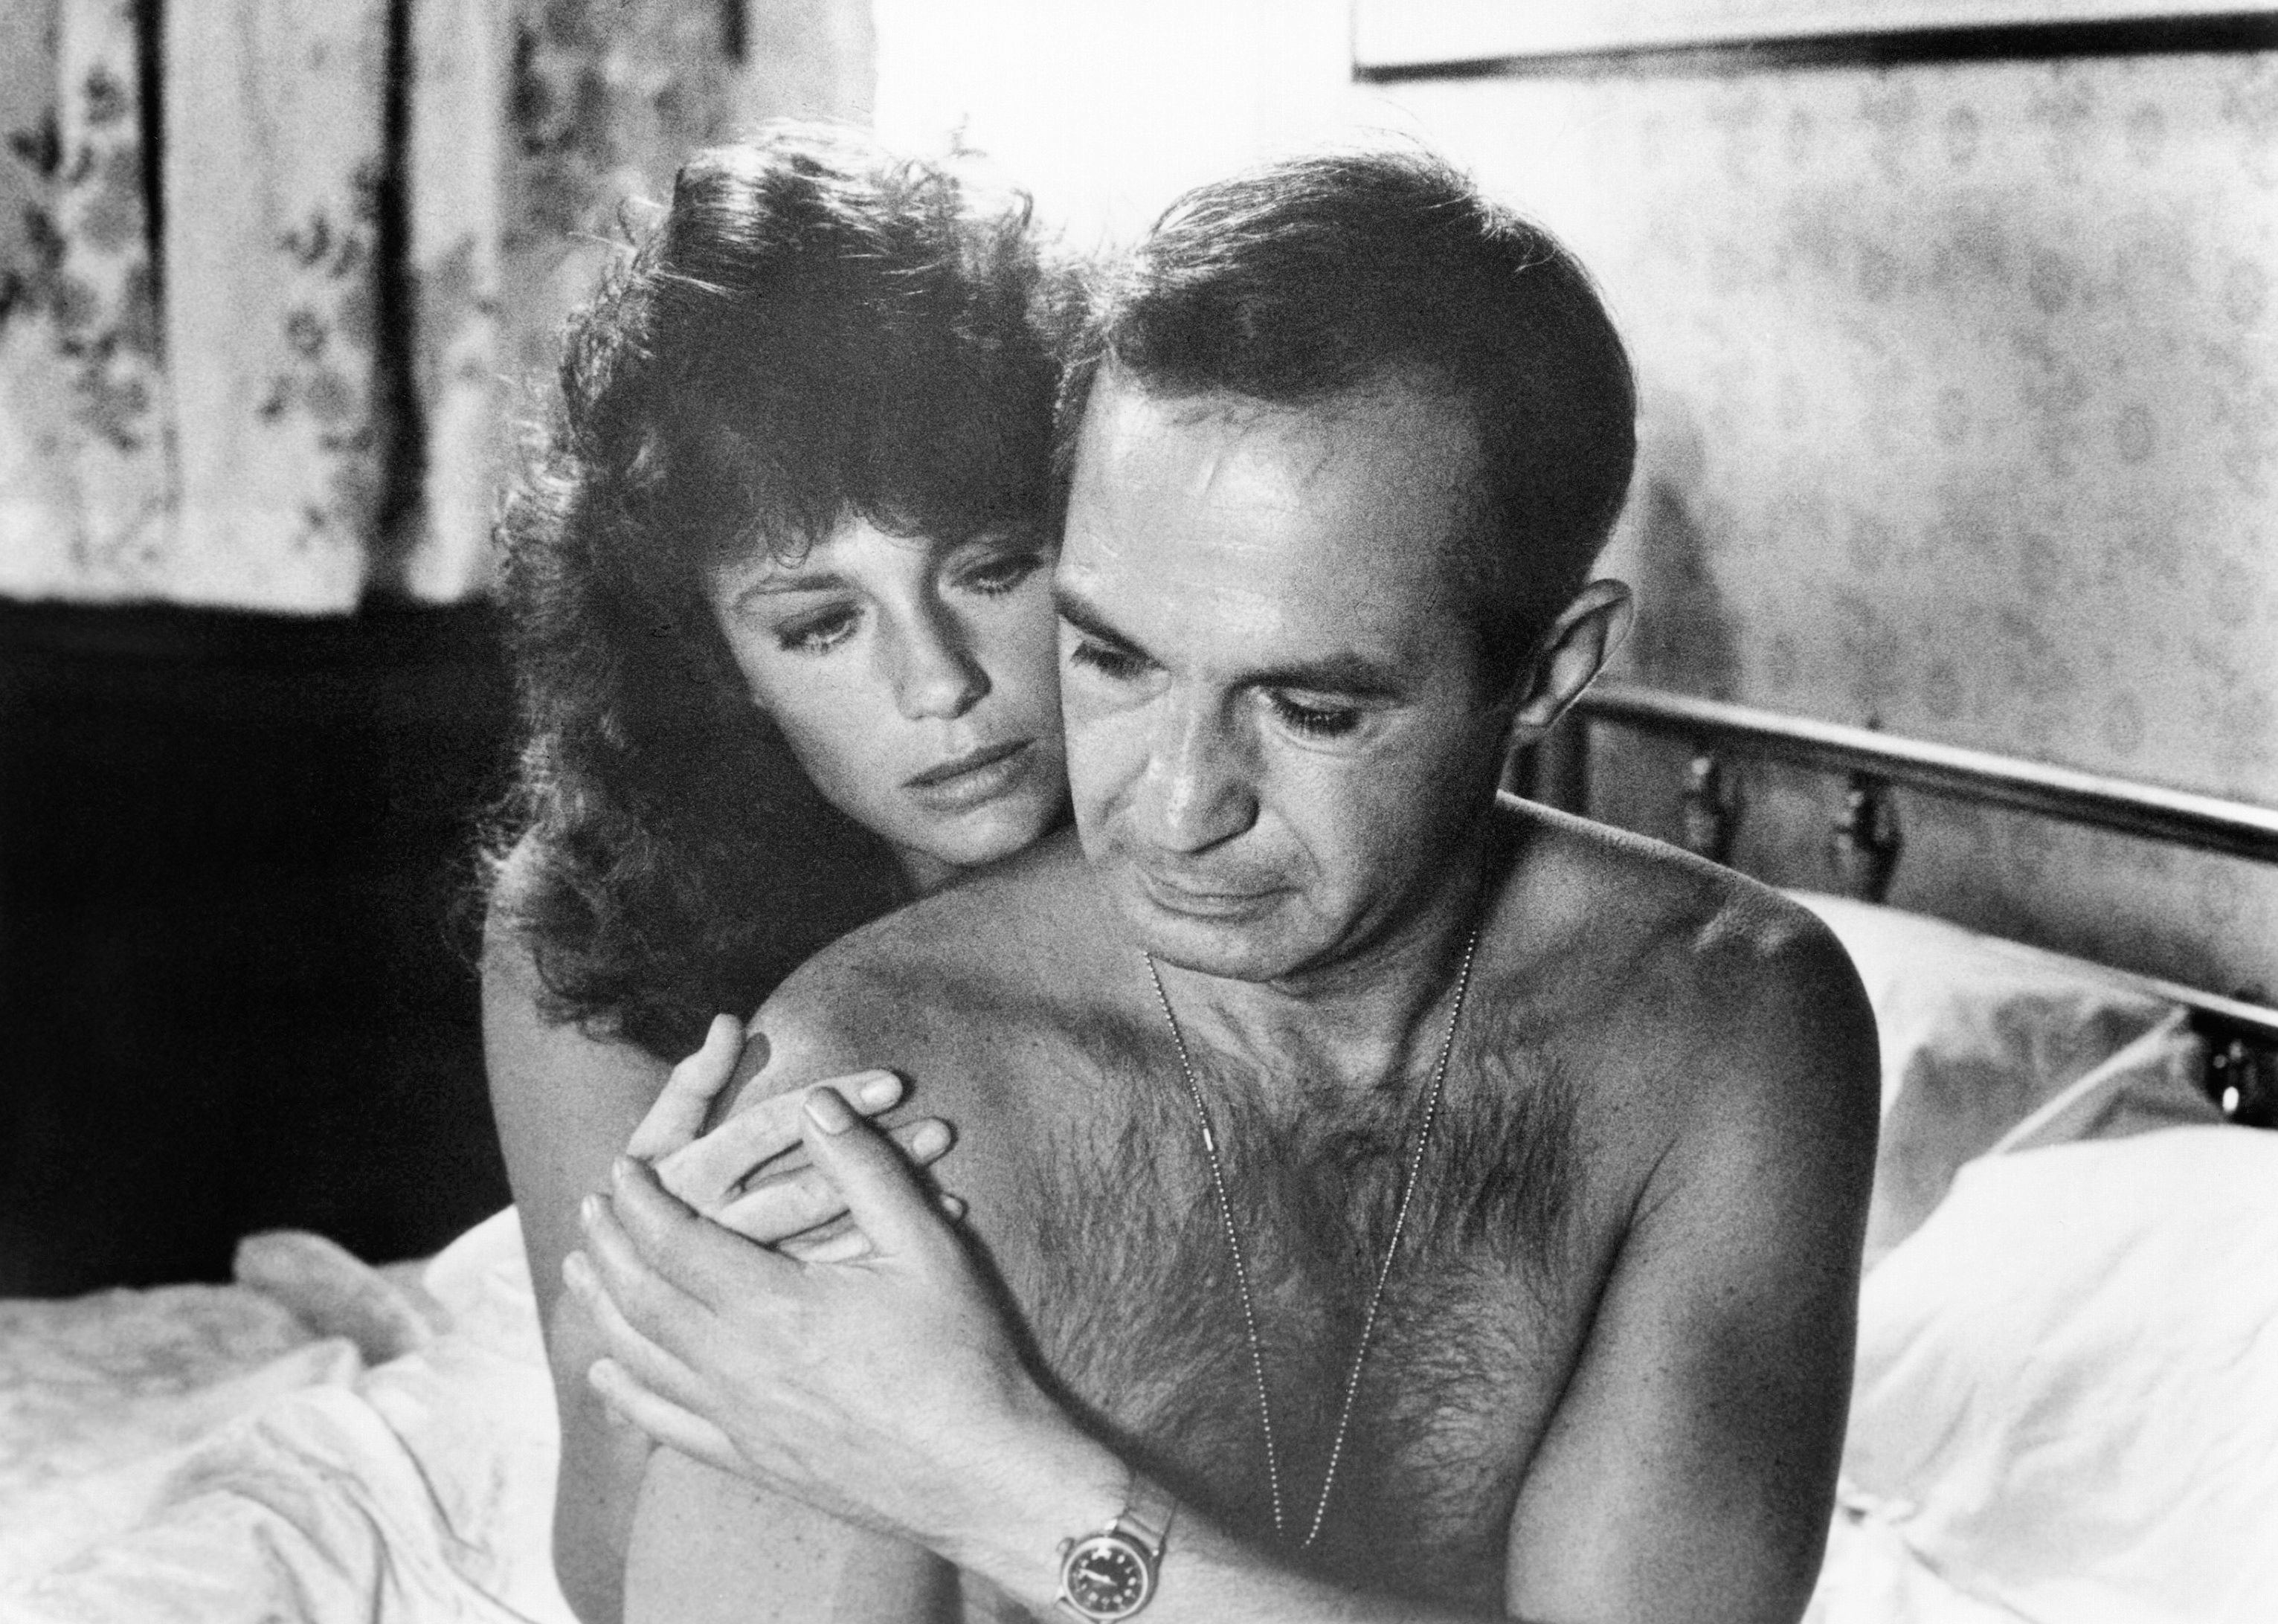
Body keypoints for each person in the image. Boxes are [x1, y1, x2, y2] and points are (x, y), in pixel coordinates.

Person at [569, 149, 1882, 1623]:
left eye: (1311, 710)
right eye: (1110, 658)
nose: (1176, 806)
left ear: (1546, 671)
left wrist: (1008, 1488)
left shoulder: (1724, 1026)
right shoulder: (865, 1095)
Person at [478, 124, 1073, 1624]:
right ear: (714, 661)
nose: (938, 682)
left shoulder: (1219, 854)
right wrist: (623, 1341)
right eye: (820, 624)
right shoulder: (592, 916)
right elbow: (603, 1579)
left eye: (992, 567)